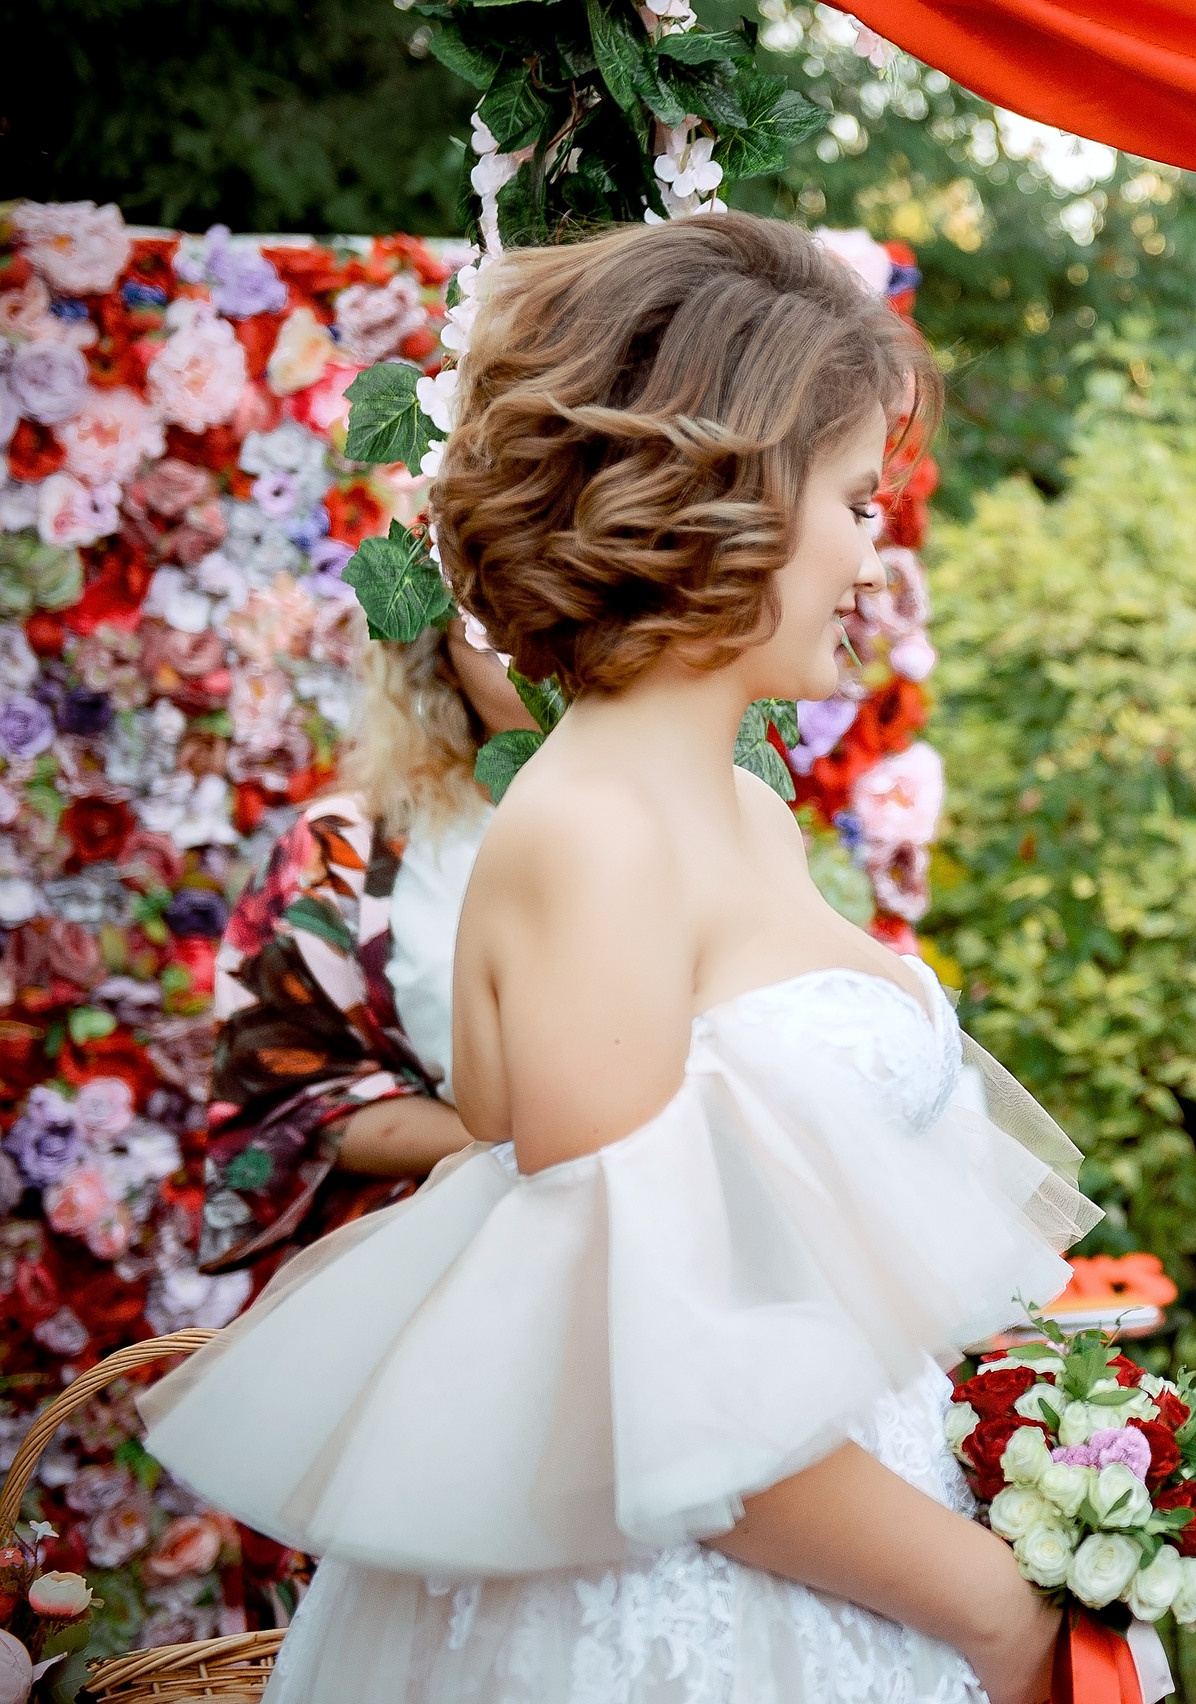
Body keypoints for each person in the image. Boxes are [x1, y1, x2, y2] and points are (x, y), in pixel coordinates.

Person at [137, 212, 1101, 1703]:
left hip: (867, 1541)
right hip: (705, 1610)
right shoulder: (591, 841)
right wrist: (993, 1611)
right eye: (853, 502)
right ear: (730, 501)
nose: (872, 553)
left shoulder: (741, 816)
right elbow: (639, 1382)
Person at [198, 620, 537, 1284]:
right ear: (436, 655)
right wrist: (543, 1143)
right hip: (449, 1260)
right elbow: (284, 1095)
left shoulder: (709, 820)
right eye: (491, 633)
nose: (537, 660)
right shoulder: (343, 852)